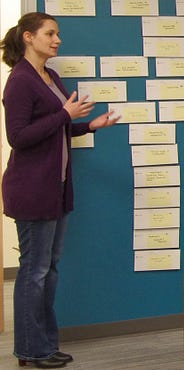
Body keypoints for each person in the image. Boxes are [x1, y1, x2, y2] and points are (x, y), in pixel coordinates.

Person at [2, 12, 119, 368]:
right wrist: (66, 116)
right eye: (50, 34)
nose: (57, 40)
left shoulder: (49, 76)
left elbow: (55, 127)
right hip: (32, 190)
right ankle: (30, 350)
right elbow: (18, 138)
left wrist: (88, 126)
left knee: (48, 270)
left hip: (56, 189)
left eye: (58, 34)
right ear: (28, 37)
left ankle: (44, 345)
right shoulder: (20, 81)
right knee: (34, 272)